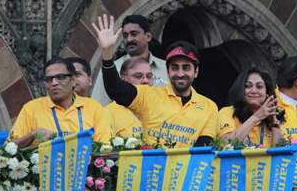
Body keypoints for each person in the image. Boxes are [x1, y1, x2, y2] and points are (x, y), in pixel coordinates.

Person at [93, 14, 218, 148]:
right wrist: (107, 51)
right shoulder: (149, 94)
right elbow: (116, 90)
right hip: (151, 168)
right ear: (168, 71)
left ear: (196, 71)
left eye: (186, 68)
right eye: (175, 68)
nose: (180, 73)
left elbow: (204, 145)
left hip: (185, 168)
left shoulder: (209, 107)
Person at [8, 58, 112, 148]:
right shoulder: (31, 108)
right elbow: (9, 148)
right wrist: (33, 134)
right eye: (49, 79)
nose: (54, 83)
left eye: (61, 77)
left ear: (72, 80)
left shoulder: (94, 107)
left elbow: (105, 147)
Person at [91, 14, 168, 105]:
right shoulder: (112, 69)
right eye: (125, 35)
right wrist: (106, 49)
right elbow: (99, 106)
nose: (129, 39)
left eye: (134, 34)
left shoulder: (166, 67)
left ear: (148, 36)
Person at [219, 69, 283, 147]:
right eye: (247, 86)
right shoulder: (227, 112)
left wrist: (274, 124)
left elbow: (281, 155)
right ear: (240, 89)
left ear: (267, 93)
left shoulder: (275, 118)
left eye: (259, 87)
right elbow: (225, 145)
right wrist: (256, 117)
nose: (253, 91)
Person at [106, 57, 153, 139]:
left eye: (149, 76)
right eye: (138, 76)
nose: (145, 80)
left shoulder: (162, 107)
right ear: (123, 79)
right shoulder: (109, 112)